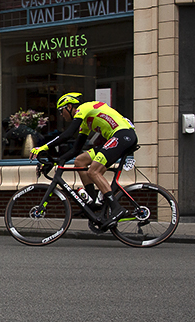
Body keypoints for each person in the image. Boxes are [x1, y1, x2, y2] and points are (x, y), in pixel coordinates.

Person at [30, 92, 137, 229]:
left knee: (93, 171)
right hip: (118, 138)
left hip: (123, 135)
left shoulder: (84, 108)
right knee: (80, 161)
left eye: (61, 110)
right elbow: (75, 150)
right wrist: (56, 161)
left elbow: (68, 134)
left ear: (69, 106)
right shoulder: (86, 122)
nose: (61, 114)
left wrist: (42, 148)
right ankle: (93, 203)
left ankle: (116, 208)